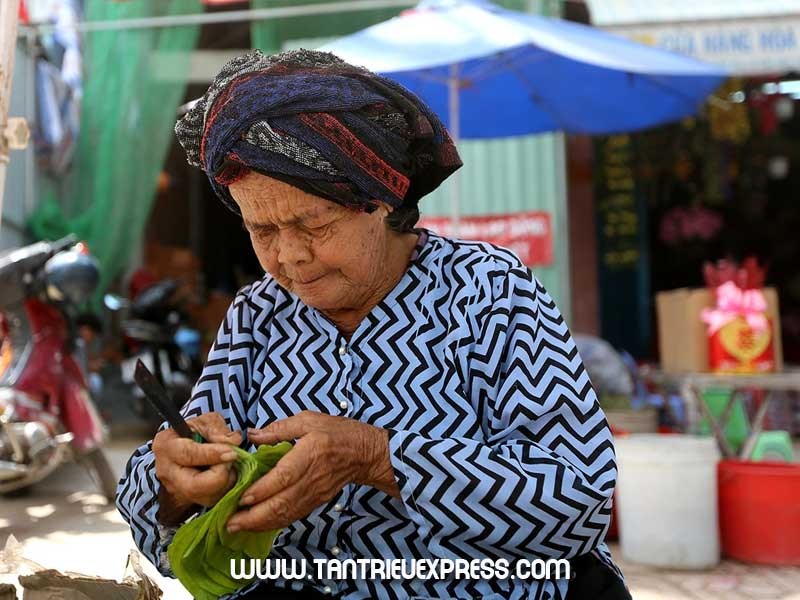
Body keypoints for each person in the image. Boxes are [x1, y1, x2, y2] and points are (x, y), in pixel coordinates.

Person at [117, 49, 627, 600]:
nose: (290, 257)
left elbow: (579, 498)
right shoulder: (258, 315)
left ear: (382, 201)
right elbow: (165, 534)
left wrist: (379, 457)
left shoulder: (488, 290)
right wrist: (176, 485)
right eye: (260, 230)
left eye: (313, 224)